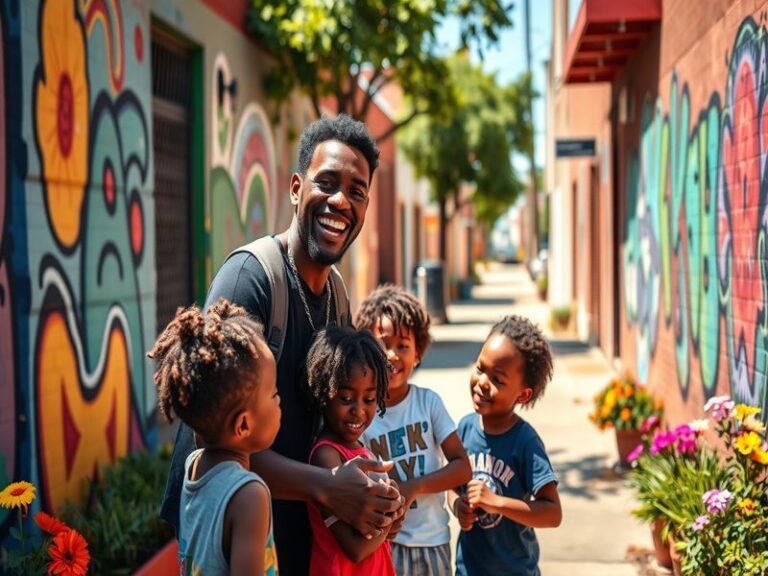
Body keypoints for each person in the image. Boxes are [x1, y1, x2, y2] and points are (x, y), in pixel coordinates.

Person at [161, 115, 402, 576]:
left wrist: (370, 497)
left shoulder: (337, 297)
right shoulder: (250, 279)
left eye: (357, 191)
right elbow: (215, 439)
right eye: (327, 182)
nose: (340, 201)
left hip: (295, 532)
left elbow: (332, 425)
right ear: (296, 188)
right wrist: (329, 486)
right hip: (236, 538)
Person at [148, 300, 281, 575]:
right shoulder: (249, 495)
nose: (279, 401)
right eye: (274, 394)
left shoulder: (194, 465)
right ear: (243, 425)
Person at [356, 284, 471, 575]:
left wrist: (414, 487)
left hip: (433, 544)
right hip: (385, 545)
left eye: (402, 345)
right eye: (382, 344)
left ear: (418, 353)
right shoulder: (361, 415)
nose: (392, 355)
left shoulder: (428, 403)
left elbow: (461, 467)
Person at [449, 315, 562, 576]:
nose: (483, 382)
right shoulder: (465, 428)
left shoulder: (525, 442)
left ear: (522, 395)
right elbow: (453, 487)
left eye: (498, 380)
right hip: (468, 569)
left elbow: (552, 513)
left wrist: (496, 502)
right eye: (480, 368)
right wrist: (458, 506)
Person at [306, 326, 396, 575]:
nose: (358, 410)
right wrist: (388, 518)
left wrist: (391, 509)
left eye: (369, 399)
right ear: (325, 394)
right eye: (346, 398)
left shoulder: (359, 447)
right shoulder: (326, 456)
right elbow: (355, 548)